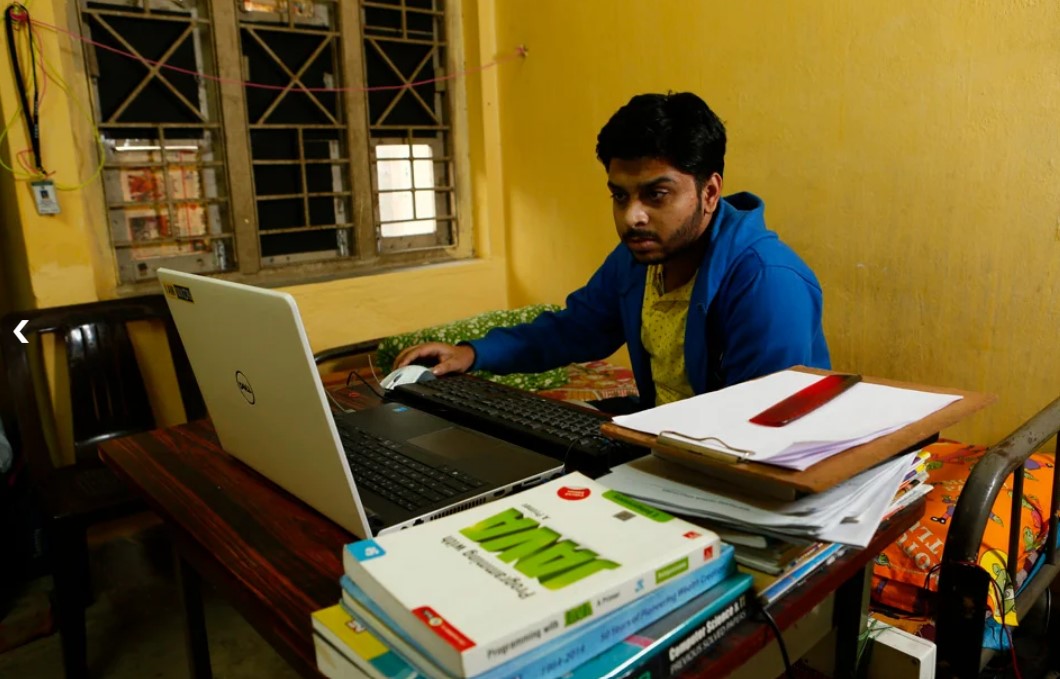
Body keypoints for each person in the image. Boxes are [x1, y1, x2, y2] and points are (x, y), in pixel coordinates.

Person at [394, 92, 830, 409]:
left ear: (710, 192)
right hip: (666, 439)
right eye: (620, 196)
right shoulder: (638, 260)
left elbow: (758, 429)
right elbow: (576, 328)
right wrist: (472, 354)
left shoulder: (766, 281)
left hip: (741, 465)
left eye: (656, 194)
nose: (632, 217)